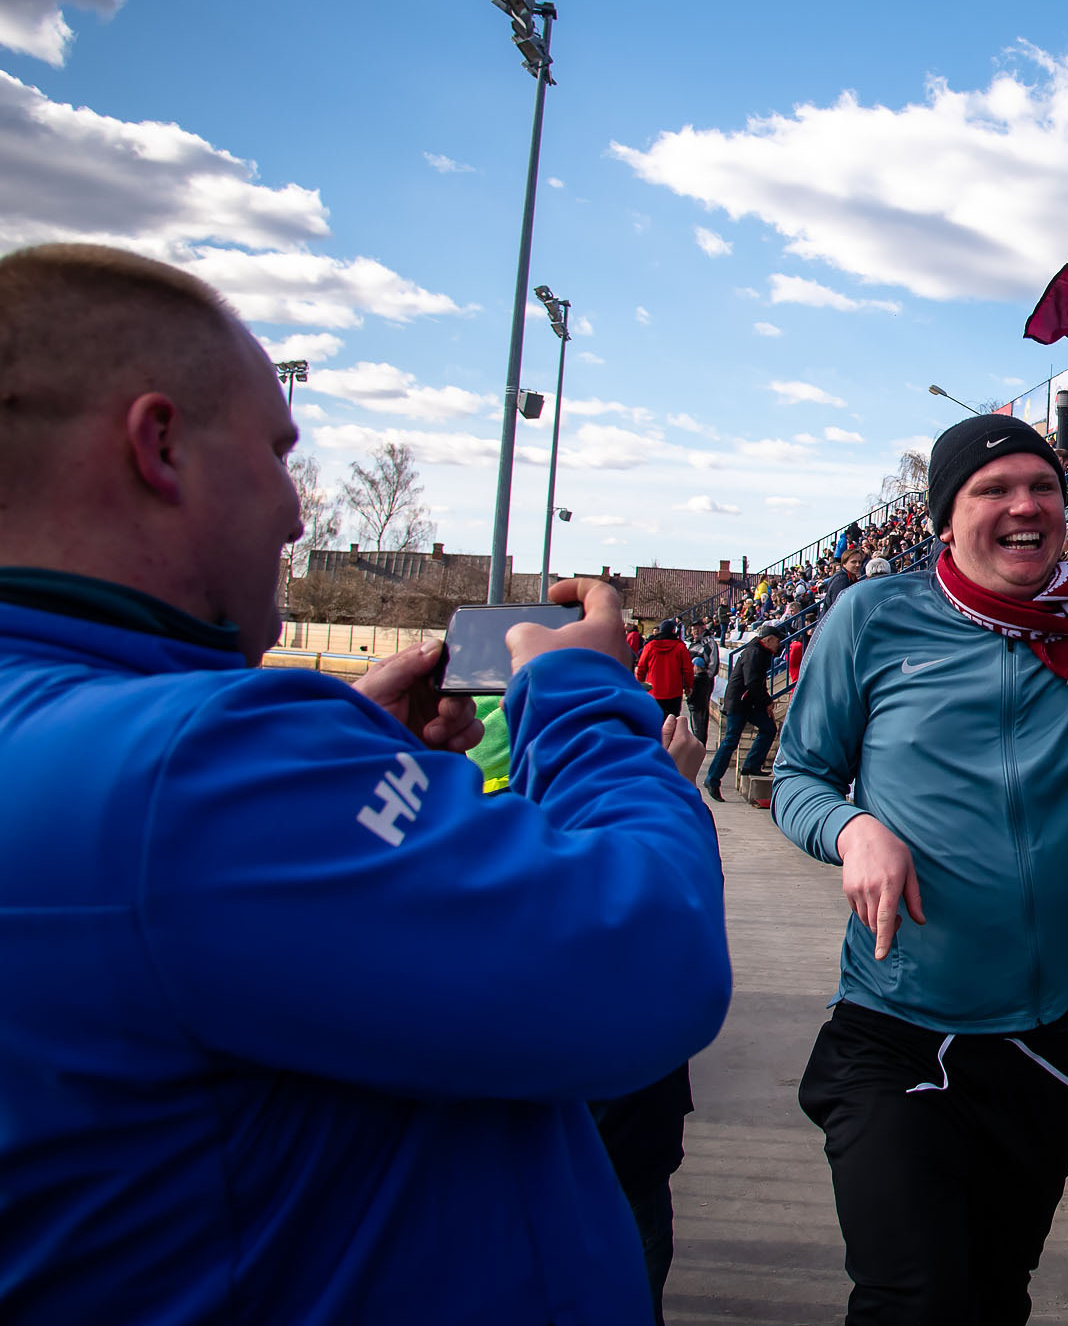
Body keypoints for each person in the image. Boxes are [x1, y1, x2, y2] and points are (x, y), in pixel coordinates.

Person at [0, 243, 731, 1324]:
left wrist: (345, 750)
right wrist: (582, 702)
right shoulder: (196, 769)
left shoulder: (98, 741)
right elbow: (651, 959)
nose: (298, 514)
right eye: (277, 451)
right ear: (160, 446)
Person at [773, 161, 1068, 1325]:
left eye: (1044, 485)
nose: (1027, 505)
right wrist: (855, 825)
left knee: (992, 1297)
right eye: (994, 488)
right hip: (897, 1033)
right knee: (912, 1298)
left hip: (1046, 1043)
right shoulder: (874, 615)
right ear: (945, 517)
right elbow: (798, 779)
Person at [701, 620, 784, 801]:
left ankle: (751, 766)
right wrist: (767, 702)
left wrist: (764, 701)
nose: (779, 645)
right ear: (768, 640)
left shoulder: (760, 652)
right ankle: (712, 779)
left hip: (748, 702)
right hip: (740, 703)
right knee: (731, 740)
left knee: (768, 729)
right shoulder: (755, 653)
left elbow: (757, 684)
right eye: (777, 641)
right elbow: (752, 683)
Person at [634, 617, 694, 721]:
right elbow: (688, 670)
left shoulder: (650, 646)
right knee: (671, 723)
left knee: (653, 722)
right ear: (673, 631)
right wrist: (689, 686)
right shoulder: (680, 647)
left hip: (653, 691)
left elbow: (641, 668)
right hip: (674, 692)